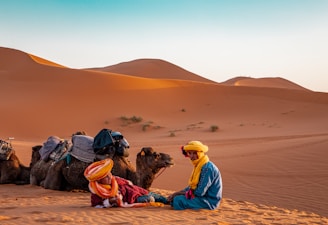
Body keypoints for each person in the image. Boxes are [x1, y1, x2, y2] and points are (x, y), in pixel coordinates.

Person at [84, 158, 167, 208]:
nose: (109, 177)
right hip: (133, 199)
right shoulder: (98, 192)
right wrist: (110, 202)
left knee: (161, 198)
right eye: (105, 176)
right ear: (99, 180)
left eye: (108, 174)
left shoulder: (116, 180)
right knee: (150, 198)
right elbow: (97, 205)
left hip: (139, 191)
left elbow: (130, 185)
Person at [167, 141, 222, 210]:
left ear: (200, 153)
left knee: (178, 200)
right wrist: (176, 193)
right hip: (202, 198)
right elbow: (192, 187)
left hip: (209, 201)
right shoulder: (199, 165)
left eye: (194, 153)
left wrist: (178, 193)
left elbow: (200, 192)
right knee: (174, 199)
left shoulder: (207, 168)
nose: (192, 156)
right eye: (189, 153)